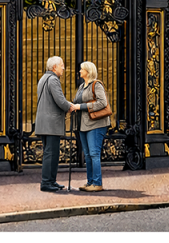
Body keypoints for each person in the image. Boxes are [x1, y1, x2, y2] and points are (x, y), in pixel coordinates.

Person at [34, 56, 81, 192]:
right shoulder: (53, 79)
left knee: (50, 152)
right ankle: (47, 182)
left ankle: (51, 181)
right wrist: (70, 106)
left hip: (44, 122)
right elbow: (60, 100)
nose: (63, 68)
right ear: (54, 67)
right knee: (51, 153)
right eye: (62, 65)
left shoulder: (43, 78)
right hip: (51, 123)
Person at [72, 60, 112, 192]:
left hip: (96, 124)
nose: (79, 71)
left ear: (88, 72)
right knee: (88, 154)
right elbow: (77, 102)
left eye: (81, 69)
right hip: (83, 124)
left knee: (94, 153)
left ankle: (97, 183)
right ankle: (90, 182)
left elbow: (102, 103)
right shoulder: (82, 86)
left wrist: (82, 106)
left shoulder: (97, 85)